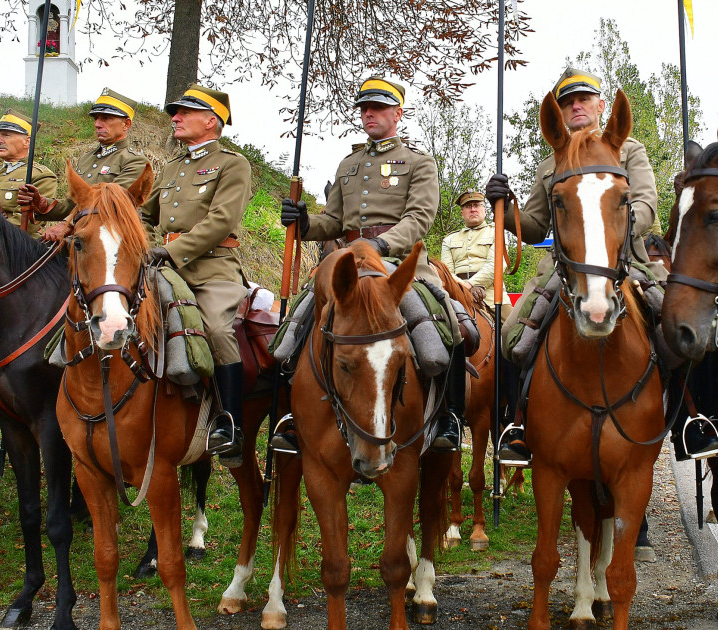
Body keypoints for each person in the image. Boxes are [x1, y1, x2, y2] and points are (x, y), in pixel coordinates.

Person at [273, 76, 465, 455]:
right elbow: (334, 220)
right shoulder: (350, 163)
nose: (368, 113)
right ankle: (294, 415)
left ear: (398, 113)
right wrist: (306, 222)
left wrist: (380, 243)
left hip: (397, 260)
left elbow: (419, 218)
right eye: (363, 108)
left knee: (448, 319)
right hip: (348, 261)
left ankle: (450, 416)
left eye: (377, 107)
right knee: (298, 322)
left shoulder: (418, 162)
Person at [484, 67, 661, 465]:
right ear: (559, 114)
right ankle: (517, 426)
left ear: (600, 105)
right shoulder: (551, 165)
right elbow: (532, 226)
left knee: (679, 325)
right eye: (567, 102)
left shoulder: (629, 149)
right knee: (512, 336)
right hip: (564, 265)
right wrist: (504, 205)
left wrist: (611, 230)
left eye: (583, 99)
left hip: (625, 257)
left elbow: (647, 203)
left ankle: (694, 416)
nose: (575, 106)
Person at [138, 84, 253, 467]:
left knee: (218, 330)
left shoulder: (232, 164)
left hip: (212, 269)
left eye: (185, 112)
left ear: (211, 121)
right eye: (176, 112)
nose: (175, 117)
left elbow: (222, 221)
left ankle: (229, 424)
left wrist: (169, 251)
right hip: (162, 266)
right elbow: (145, 214)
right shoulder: (172, 168)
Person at [18, 88, 150, 241]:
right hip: (80, 239)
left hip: (110, 241)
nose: (97, 124)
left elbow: (112, 204)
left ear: (126, 124)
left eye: (106, 118)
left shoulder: (134, 161)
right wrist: (41, 203)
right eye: (96, 119)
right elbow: (73, 204)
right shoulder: (86, 159)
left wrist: (68, 224)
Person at [0, 109, 58, 237]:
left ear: (27, 141)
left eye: (6, 135)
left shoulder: (40, 175)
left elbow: (28, 223)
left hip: (16, 247)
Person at [440, 190, 510, 315]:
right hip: (457, 296)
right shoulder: (449, 239)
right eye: (468, 206)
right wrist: (464, 289)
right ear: (462, 213)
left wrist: (471, 284)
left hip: (492, 296)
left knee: (514, 329)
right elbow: (446, 272)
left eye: (477, 205)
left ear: (485, 210)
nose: (473, 209)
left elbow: (496, 265)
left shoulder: (497, 232)